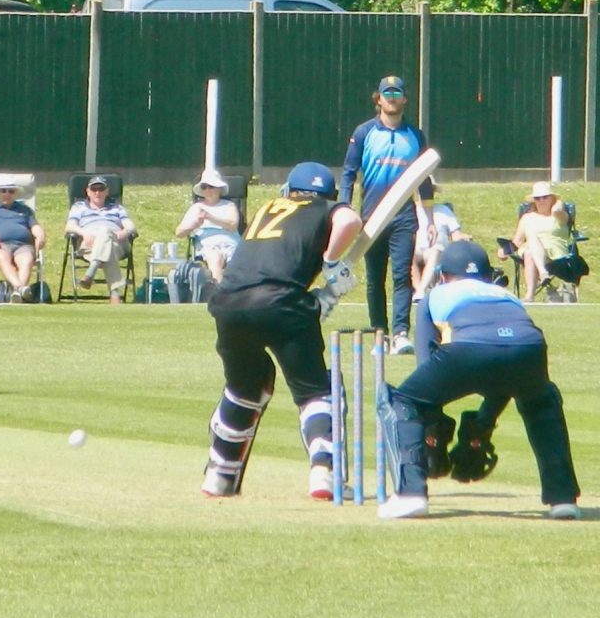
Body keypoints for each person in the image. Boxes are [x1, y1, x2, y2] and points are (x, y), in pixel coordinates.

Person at [377, 240, 580, 520]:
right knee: (541, 401)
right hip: (529, 348)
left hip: (467, 349)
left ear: (443, 275)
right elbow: (504, 370)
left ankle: (411, 494)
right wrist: (480, 426)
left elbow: (427, 365)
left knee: (402, 400)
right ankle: (563, 498)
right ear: (487, 275)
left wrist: (434, 433)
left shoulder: (435, 295)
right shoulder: (504, 294)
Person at [201, 161, 363, 500]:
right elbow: (349, 220)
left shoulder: (268, 208)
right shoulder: (325, 207)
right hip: (280, 302)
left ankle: (219, 475)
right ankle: (324, 473)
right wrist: (332, 267)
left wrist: (316, 302)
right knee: (316, 391)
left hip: (229, 304)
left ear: (289, 191)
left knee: (246, 386)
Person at [340, 75, 433, 355]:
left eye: (397, 94)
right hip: (372, 215)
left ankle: (401, 333)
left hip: (404, 216)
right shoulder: (365, 132)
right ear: (378, 99)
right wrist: (344, 207)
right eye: (386, 94)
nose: (391, 98)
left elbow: (424, 179)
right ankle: (380, 334)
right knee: (374, 277)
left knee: (401, 275)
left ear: (404, 99)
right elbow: (348, 172)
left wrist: (429, 219)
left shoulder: (415, 136)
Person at [500, 180, 584, 301]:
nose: (541, 201)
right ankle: (539, 280)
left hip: (555, 253)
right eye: (538, 198)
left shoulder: (560, 215)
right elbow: (516, 242)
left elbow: (557, 210)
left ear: (552, 198)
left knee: (531, 244)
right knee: (530, 249)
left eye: (545, 197)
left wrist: (558, 202)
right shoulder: (527, 218)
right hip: (530, 252)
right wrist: (504, 250)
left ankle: (531, 292)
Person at [66, 176, 136, 303]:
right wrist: (84, 233)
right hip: (89, 245)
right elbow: (69, 226)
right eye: (94, 189)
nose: (97, 192)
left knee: (105, 231)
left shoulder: (117, 208)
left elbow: (131, 226)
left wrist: (125, 232)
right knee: (108, 246)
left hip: (118, 242)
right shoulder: (79, 207)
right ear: (88, 191)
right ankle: (115, 294)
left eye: (101, 189)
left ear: (107, 191)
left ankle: (92, 270)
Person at [0, 182, 45, 302]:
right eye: (3, 191)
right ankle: (20, 289)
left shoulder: (25, 210)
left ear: (15, 194)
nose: (7, 194)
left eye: (11, 191)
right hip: (1, 245)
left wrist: (40, 236)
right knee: (2, 256)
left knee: (27, 259)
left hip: (23, 245)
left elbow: (35, 227)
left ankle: (17, 292)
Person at [175, 168, 241, 285]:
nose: (207, 190)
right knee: (215, 258)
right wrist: (193, 225)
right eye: (204, 187)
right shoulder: (197, 208)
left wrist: (210, 217)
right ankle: (219, 293)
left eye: (211, 186)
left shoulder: (229, 205)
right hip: (209, 247)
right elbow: (179, 232)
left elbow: (233, 225)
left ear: (219, 189)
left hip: (232, 246)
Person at [411, 187, 469, 300]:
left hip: (436, 250)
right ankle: (418, 289)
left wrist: (463, 238)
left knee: (436, 251)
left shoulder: (443, 210)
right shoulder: (410, 211)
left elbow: (456, 235)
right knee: (407, 254)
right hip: (415, 248)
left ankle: (420, 291)